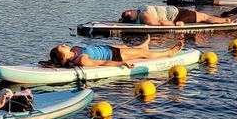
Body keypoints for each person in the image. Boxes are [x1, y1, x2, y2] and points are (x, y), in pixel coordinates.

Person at [49, 38, 184, 68]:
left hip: (108, 48)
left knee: (128, 47)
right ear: (63, 56)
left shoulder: (74, 49)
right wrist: (122, 63)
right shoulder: (81, 59)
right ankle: (169, 53)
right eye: (62, 47)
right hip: (115, 56)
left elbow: (96, 47)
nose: (64, 44)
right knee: (144, 54)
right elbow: (102, 63)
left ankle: (141, 46)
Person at [119, 5, 237, 25]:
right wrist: (174, 24)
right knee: (204, 17)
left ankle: (224, 16)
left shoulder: (140, 11)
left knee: (204, 16)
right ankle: (227, 20)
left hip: (177, 11)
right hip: (178, 16)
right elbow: (158, 23)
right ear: (132, 16)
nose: (131, 9)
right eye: (130, 12)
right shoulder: (143, 16)